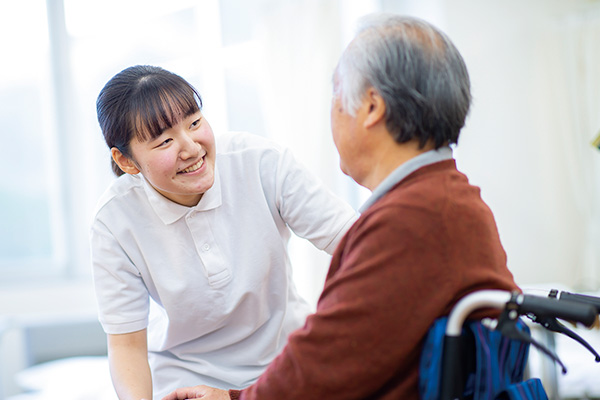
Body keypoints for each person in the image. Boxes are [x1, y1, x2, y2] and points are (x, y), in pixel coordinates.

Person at [162, 13, 519, 400]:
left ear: (370, 107)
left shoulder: (413, 219)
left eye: (336, 93)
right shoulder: (445, 199)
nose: (331, 109)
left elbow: (324, 366)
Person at [91, 65, 357, 400]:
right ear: (126, 162)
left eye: (195, 123)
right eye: (165, 141)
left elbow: (359, 243)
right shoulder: (113, 222)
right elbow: (126, 346)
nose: (191, 148)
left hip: (286, 364)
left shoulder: (261, 162)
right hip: (186, 379)